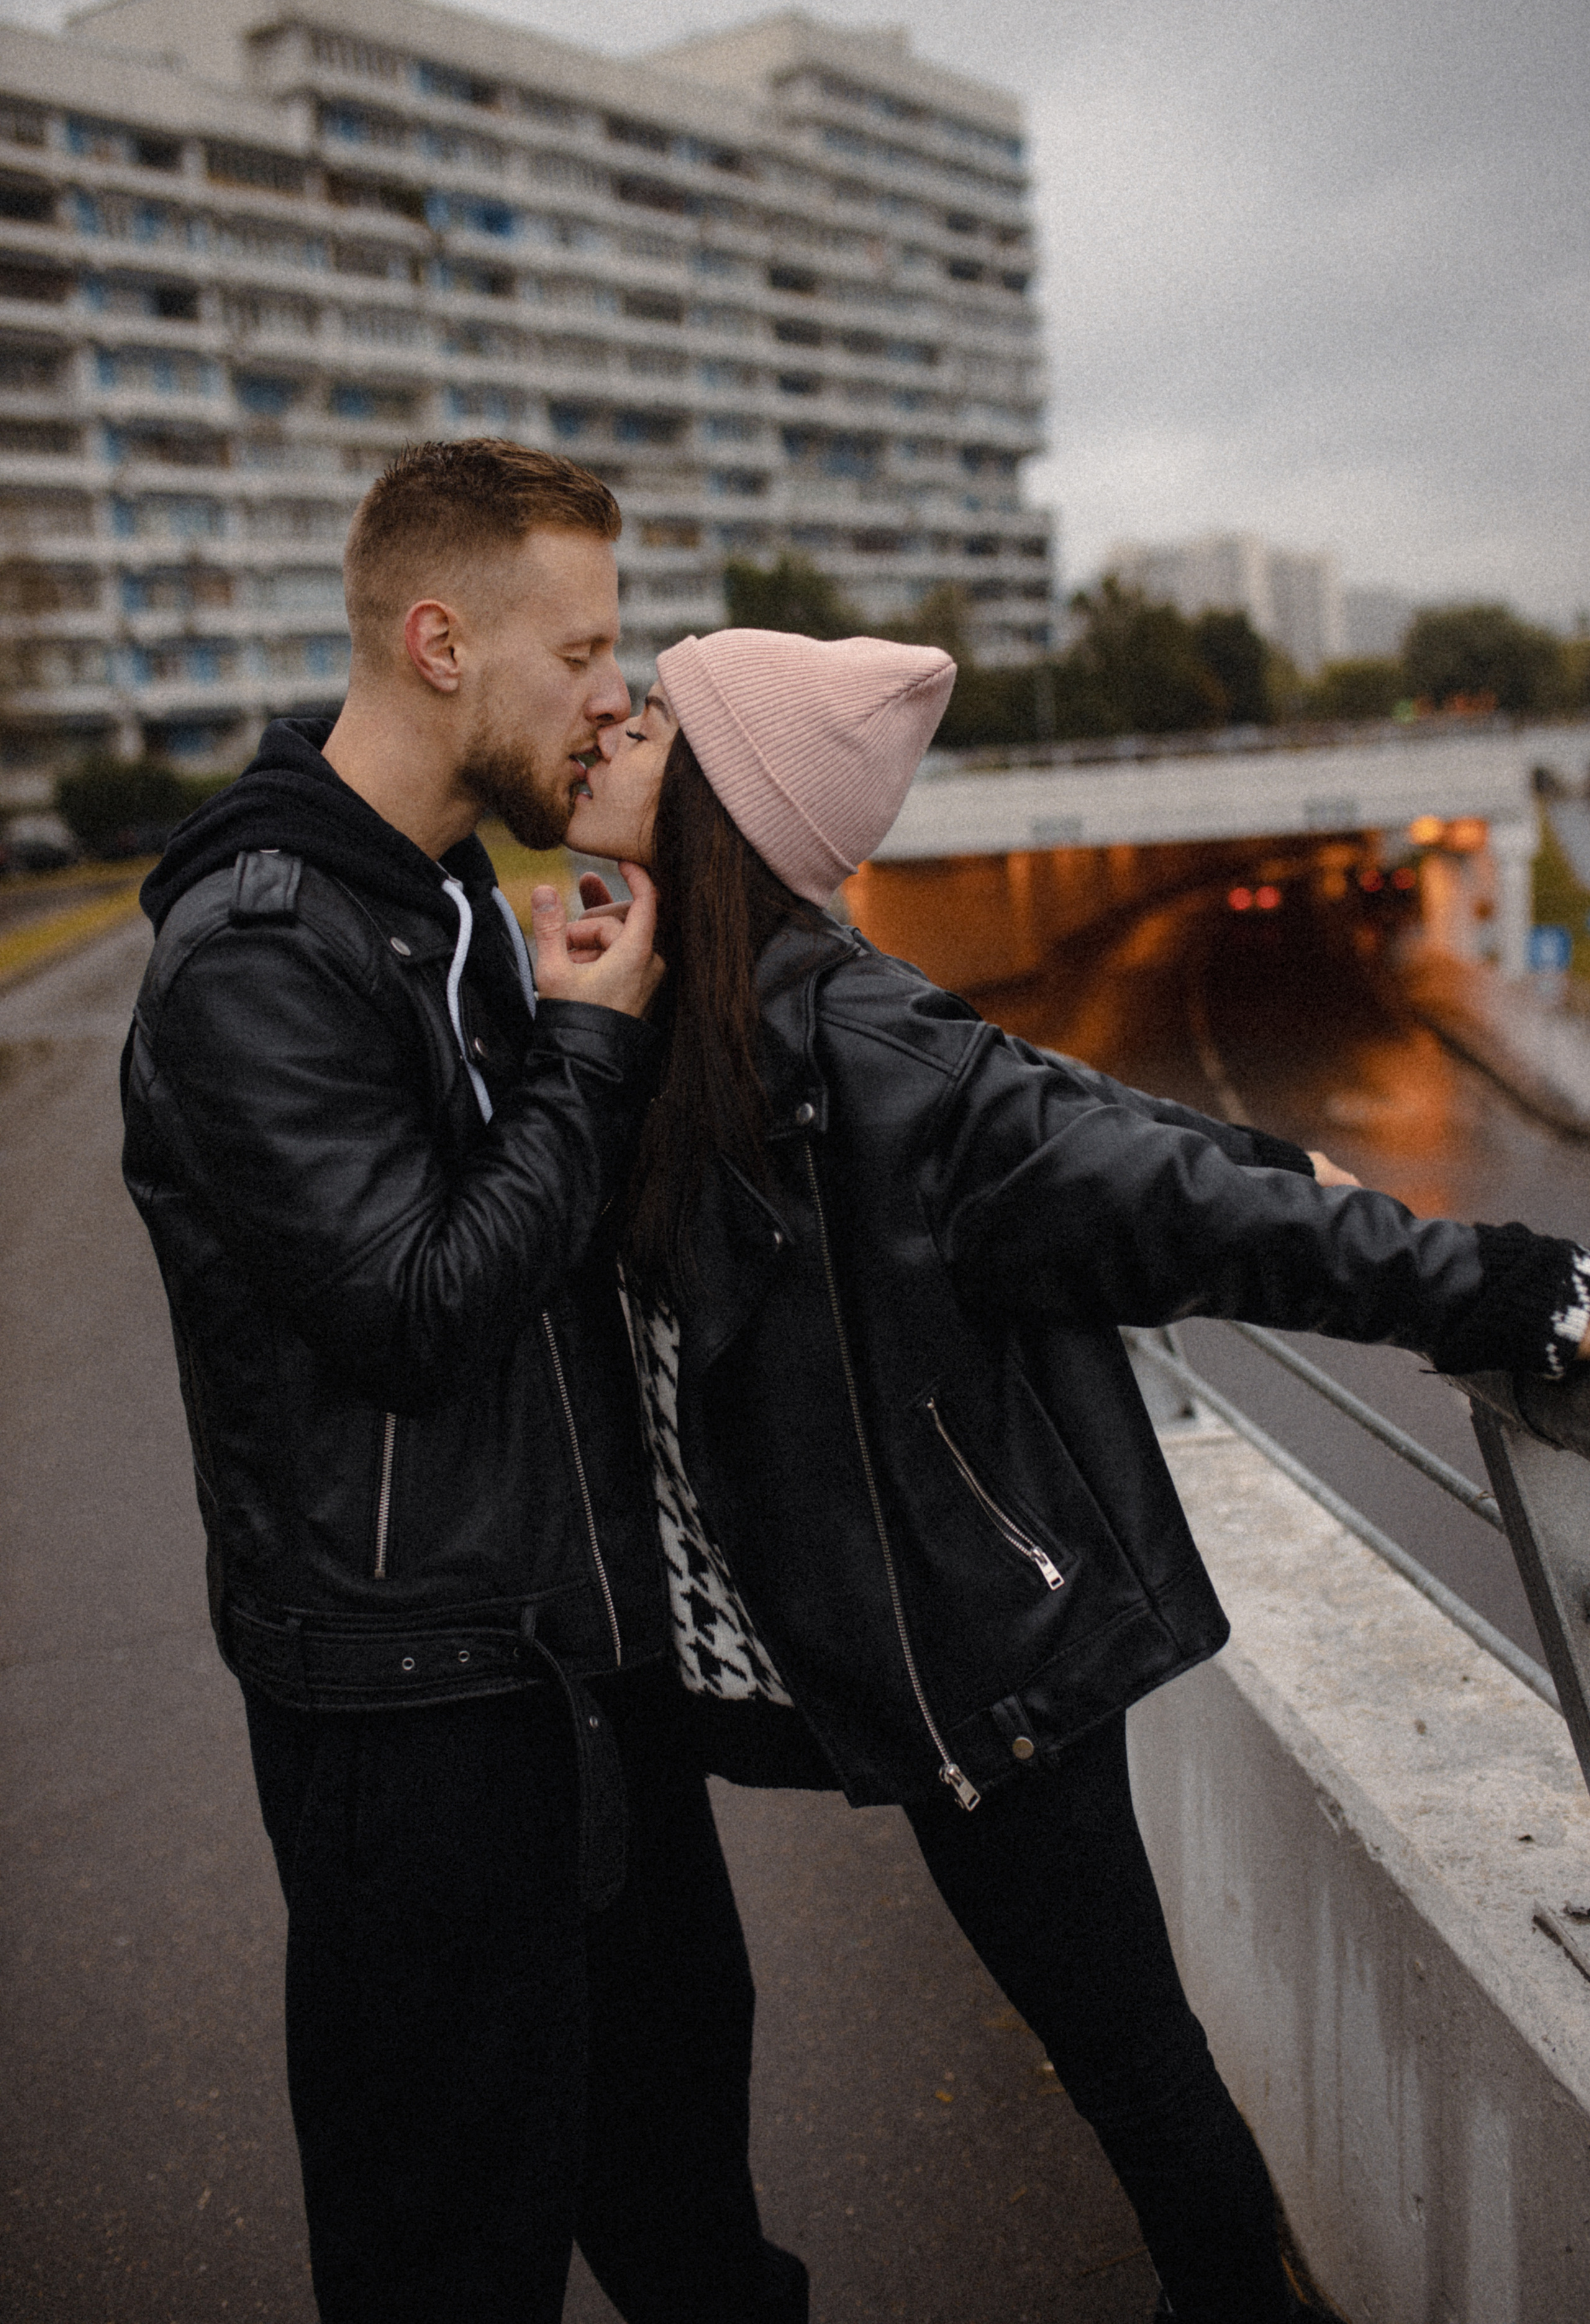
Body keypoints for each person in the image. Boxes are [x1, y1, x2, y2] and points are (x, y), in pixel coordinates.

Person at [564, 625, 1590, 2324]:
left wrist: (1498, 1288)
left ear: (728, 797)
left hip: (972, 1655)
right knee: (662, 2020)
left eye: (659, 712)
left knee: (1133, 2067)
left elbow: (1169, 1202)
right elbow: (1081, 1106)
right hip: (774, 1651)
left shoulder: (867, 1060)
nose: (616, 721)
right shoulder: (677, 1010)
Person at [120, 444, 807, 2324]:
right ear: (441, 643)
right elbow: (420, 1308)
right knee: (450, 2261)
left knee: (696, 2234)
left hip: (579, 1686)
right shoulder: (254, 955)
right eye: (582, 647)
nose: (618, 688)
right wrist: (586, 1050)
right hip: (414, 1732)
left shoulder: (441, 907)